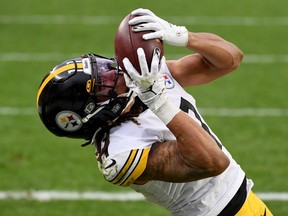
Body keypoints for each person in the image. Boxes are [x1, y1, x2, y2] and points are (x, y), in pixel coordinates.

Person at [37, 8, 272, 216]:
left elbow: (230, 59)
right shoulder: (119, 154)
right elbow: (212, 162)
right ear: (89, 114)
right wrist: (157, 101)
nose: (114, 72)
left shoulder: (145, 79)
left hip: (247, 201)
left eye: (102, 67)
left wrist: (184, 36)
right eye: (101, 84)